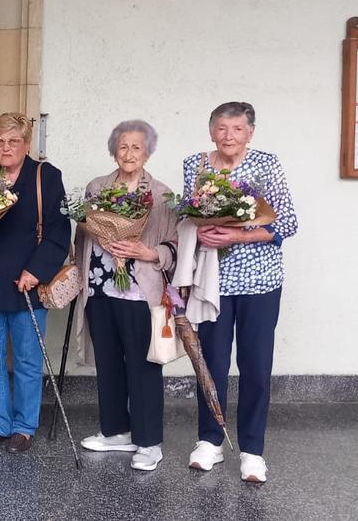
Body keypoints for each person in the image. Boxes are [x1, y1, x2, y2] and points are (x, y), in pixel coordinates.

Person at [182, 102, 298, 483]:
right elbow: (186, 217)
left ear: (250, 132)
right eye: (220, 128)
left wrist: (237, 234)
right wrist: (196, 230)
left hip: (260, 282)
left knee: (255, 366)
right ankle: (210, 440)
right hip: (212, 282)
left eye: (236, 128)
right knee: (209, 362)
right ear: (211, 131)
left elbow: (287, 223)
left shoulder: (266, 164)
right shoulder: (195, 165)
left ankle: (252, 450)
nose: (228, 135)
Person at [73, 120, 178, 471]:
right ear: (113, 150)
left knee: (143, 365)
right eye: (123, 147)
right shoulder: (97, 188)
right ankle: (116, 430)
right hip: (101, 288)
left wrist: (148, 253)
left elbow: (174, 246)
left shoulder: (161, 195)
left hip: (139, 292)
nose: (129, 153)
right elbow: (83, 235)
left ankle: (149, 441)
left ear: (147, 151)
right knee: (108, 363)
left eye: (136, 147)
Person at [0, 112, 69, 453]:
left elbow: (59, 232)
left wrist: (36, 271)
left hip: (25, 283)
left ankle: (24, 426)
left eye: (13, 141)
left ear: (26, 144)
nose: (5, 147)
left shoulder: (45, 177)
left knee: (26, 359)